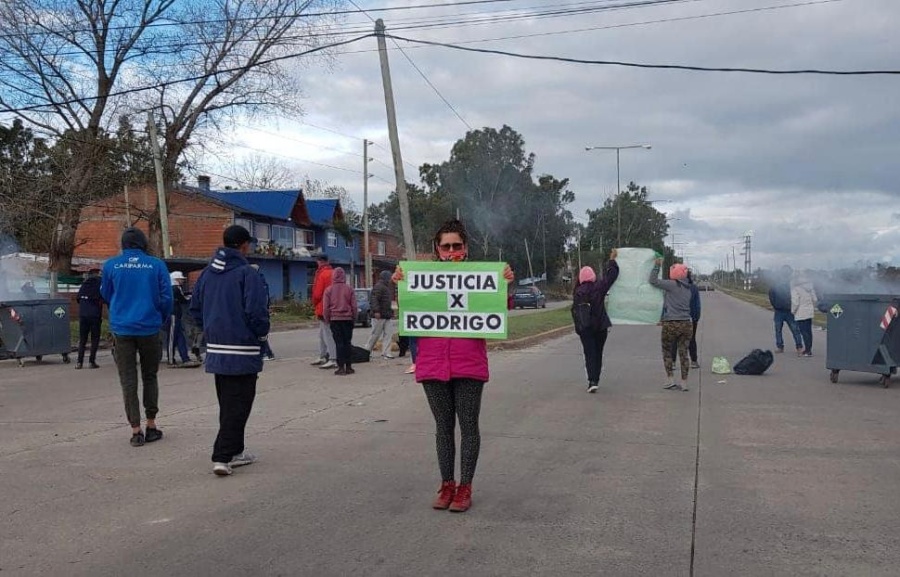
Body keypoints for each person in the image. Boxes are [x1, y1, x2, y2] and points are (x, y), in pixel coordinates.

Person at [393, 218, 514, 513]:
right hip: (433, 363)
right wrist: (401, 283)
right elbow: (408, 314)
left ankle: (465, 487)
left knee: (469, 426)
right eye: (445, 246)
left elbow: (500, 311)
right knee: (443, 427)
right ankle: (447, 484)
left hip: (468, 363)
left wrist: (504, 285)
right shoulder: (422, 279)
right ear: (437, 249)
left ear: (466, 247)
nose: (451, 251)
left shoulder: (481, 276)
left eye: (456, 245)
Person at [189, 225, 270, 476]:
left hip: (216, 349)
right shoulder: (248, 273)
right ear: (244, 246)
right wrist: (261, 334)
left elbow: (195, 309)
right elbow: (256, 311)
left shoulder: (206, 274)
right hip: (243, 349)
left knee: (228, 403)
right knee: (240, 405)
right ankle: (222, 456)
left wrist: (212, 329)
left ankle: (235, 450)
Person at [101, 227, 173, 447]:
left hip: (122, 328)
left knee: (128, 381)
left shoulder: (111, 265)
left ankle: (135, 429)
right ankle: (151, 424)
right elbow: (166, 297)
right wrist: (160, 317)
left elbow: (105, 293)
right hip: (149, 327)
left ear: (123, 244)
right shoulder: (157, 265)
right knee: (150, 376)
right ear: (143, 244)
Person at [572, 251, 619, 393]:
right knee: (598, 352)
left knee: (589, 352)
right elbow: (611, 276)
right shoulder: (599, 287)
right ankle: (595, 379)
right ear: (593, 276)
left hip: (585, 328)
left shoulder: (577, 291)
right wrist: (612, 260)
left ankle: (592, 380)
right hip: (600, 326)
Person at [649, 259, 694, 392]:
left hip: (671, 323)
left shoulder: (672, 285)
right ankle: (684, 382)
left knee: (667, 351)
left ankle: (670, 379)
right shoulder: (688, 288)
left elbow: (653, 281)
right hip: (686, 323)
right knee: (684, 353)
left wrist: (657, 266)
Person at [323, 267, 357, 375]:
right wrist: (354, 318)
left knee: (339, 343)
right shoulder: (349, 289)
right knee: (347, 342)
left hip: (335, 319)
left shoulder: (329, 290)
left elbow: (325, 308)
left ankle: (340, 367)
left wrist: (327, 319)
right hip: (347, 319)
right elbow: (354, 306)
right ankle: (349, 366)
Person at [768, 265, 803, 355]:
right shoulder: (776, 283)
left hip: (789, 310)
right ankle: (780, 347)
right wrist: (775, 305)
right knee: (779, 330)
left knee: (795, 330)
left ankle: (799, 347)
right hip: (779, 310)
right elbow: (771, 294)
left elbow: (797, 295)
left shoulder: (792, 283)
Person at [310, 254, 337, 369]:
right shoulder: (334, 273)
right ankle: (322, 355)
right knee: (322, 334)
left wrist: (315, 303)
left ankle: (332, 358)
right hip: (334, 306)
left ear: (319, 262)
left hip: (322, 307)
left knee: (326, 334)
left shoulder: (322, 274)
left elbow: (317, 293)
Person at [164, 271, 195, 367]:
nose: (182, 281)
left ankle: (185, 358)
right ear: (176, 279)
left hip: (173, 314)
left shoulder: (168, 288)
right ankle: (171, 360)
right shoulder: (176, 288)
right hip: (173, 315)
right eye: (181, 279)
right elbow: (183, 299)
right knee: (172, 338)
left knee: (179, 337)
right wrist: (190, 297)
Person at [76, 268, 103, 369]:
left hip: (83, 315)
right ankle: (91, 362)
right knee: (94, 339)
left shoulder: (84, 284)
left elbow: (78, 299)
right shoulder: (100, 284)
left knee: (83, 339)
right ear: (97, 274)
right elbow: (104, 298)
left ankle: (79, 362)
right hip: (95, 315)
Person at [366, 270, 396, 359]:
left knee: (388, 334)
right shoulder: (379, 287)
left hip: (386, 315)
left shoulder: (385, 287)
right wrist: (376, 311)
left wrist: (390, 312)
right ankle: (367, 351)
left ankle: (386, 352)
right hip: (379, 315)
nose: (391, 279)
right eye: (390, 277)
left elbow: (386, 302)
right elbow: (374, 299)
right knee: (375, 334)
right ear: (386, 278)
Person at [251, 264, 276, 360]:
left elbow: (263, 298)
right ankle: (265, 352)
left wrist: (264, 309)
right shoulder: (260, 280)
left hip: (260, 311)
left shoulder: (259, 281)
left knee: (260, 333)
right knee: (259, 333)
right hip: (261, 310)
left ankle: (267, 353)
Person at [791, 271, 818, 357]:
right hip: (809, 312)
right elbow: (815, 299)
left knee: (803, 332)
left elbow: (795, 302)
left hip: (800, 312)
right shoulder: (810, 288)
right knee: (809, 331)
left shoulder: (795, 289)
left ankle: (807, 351)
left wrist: (793, 311)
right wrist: (811, 307)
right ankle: (809, 349)